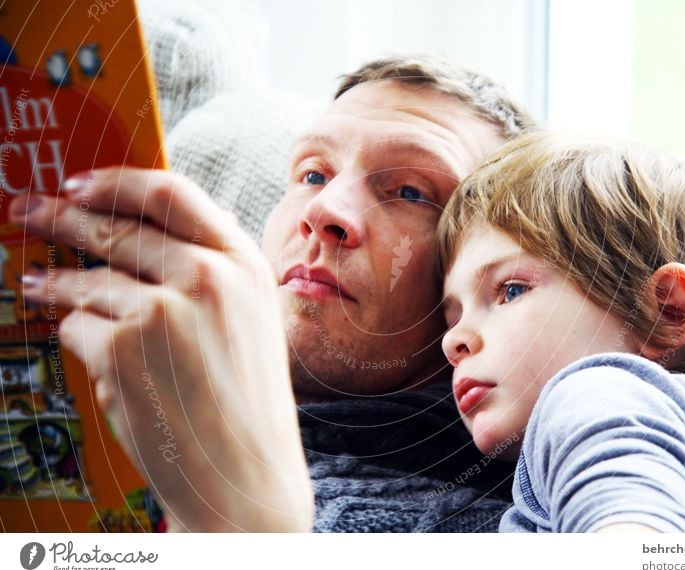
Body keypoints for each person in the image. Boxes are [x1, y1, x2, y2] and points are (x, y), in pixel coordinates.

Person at [9, 56, 536, 531]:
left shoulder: (502, 527)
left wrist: (246, 527)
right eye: (312, 173)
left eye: (409, 193)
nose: (323, 211)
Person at [438, 131, 685, 532]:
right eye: (453, 319)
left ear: (667, 311)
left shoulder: (597, 395)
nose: (453, 341)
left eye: (510, 290)